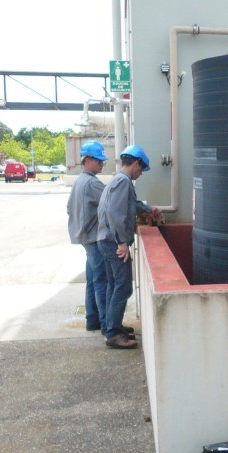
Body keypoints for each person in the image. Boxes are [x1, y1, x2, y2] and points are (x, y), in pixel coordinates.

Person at [97, 144, 160, 350]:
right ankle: (113, 334)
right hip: (113, 243)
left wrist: (149, 209)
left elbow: (130, 205)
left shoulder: (118, 180)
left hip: (105, 240)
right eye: (141, 170)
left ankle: (111, 326)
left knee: (113, 285)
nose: (140, 174)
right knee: (123, 286)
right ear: (136, 163)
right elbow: (115, 214)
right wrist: (121, 243)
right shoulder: (123, 182)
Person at [67, 141, 109, 336]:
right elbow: (113, 202)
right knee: (102, 282)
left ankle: (92, 320)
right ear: (88, 160)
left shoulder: (79, 181)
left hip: (85, 238)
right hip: (93, 239)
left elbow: (69, 208)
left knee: (92, 281)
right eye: (99, 161)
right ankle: (107, 325)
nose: (102, 164)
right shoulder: (92, 183)